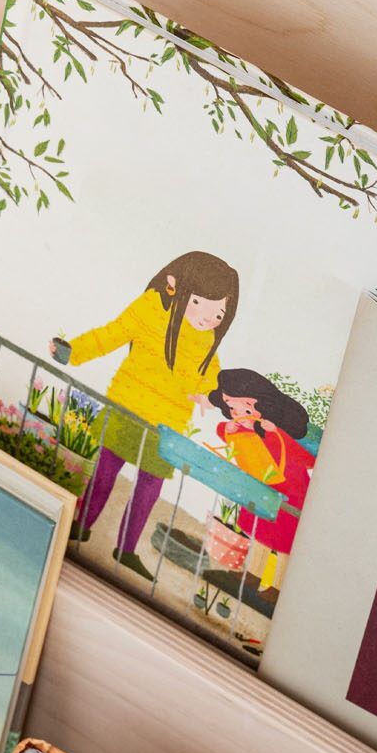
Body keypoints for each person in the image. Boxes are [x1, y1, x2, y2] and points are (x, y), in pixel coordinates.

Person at [51, 251, 239, 578]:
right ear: (175, 285)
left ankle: (126, 549)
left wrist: (212, 396)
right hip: (127, 408)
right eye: (199, 303)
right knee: (105, 471)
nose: (207, 319)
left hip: (166, 428)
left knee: (149, 488)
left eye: (218, 314)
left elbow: (211, 378)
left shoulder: (207, 342)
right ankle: (82, 525)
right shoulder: (151, 308)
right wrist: (73, 352)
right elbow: (111, 334)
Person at [208, 368, 314, 591]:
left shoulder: (274, 432)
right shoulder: (244, 430)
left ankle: (276, 588)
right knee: (260, 535)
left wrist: (275, 433)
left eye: (246, 408)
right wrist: (227, 428)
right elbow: (227, 435)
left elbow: (306, 460)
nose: (238, 414)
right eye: (231, 407)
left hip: (291, 494)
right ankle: (251, 578)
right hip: (262, 490)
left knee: (283, 544)